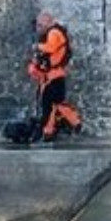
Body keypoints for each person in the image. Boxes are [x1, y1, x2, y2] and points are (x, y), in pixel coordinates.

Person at [30, 12, 82, 141]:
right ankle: (68, 125)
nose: (38, 28)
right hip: (52, 77)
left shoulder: (54, 33)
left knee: (50, 105)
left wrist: (37, 47)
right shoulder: (52, 33)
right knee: (55, 104)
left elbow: (50, 48)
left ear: (48, 22)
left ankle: (49, 131)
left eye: (40, 25)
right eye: (37, 25)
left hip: (54, 77)